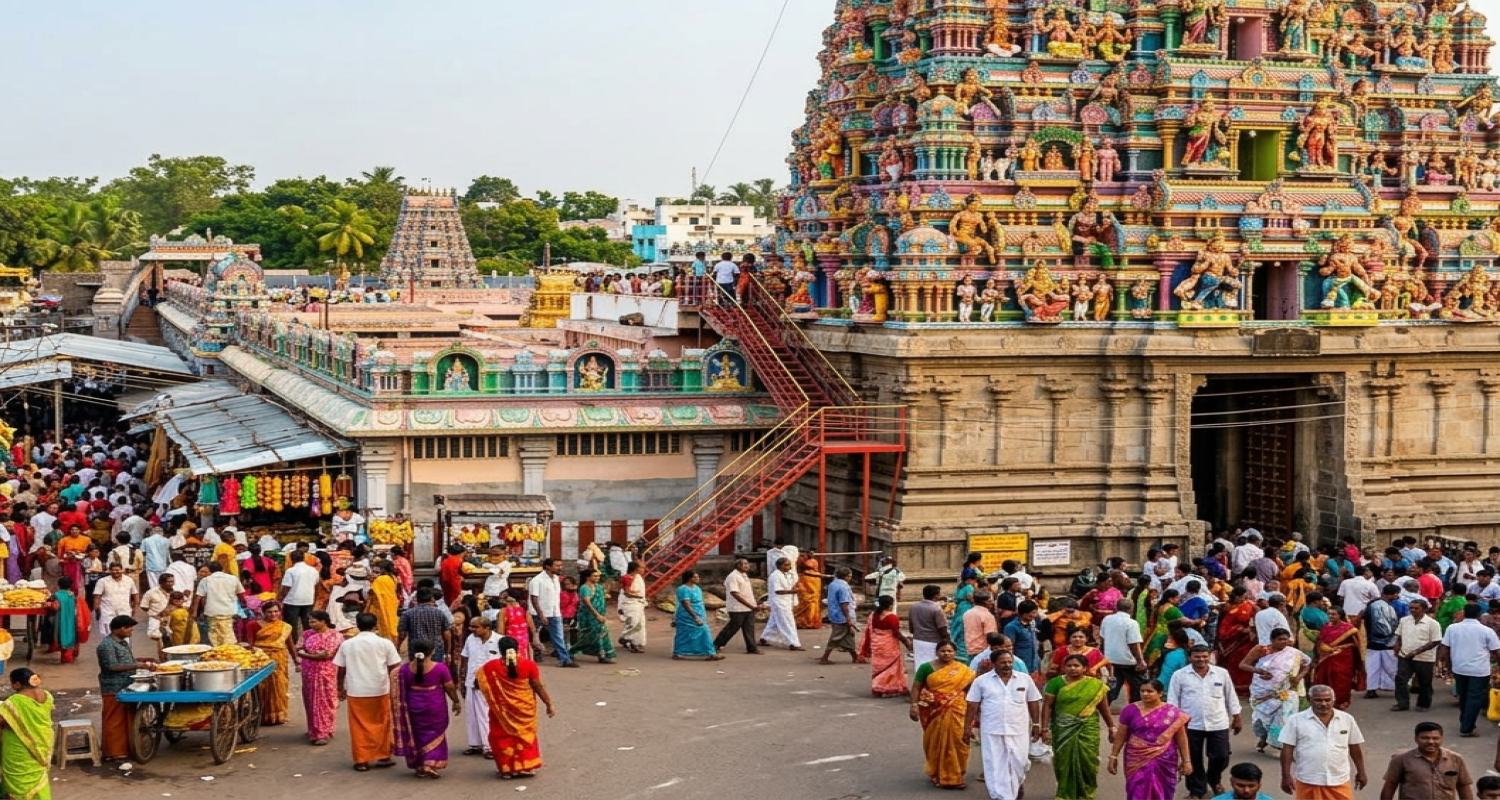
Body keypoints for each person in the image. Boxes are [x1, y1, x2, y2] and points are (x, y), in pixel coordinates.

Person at [962, 651, 1040, 799]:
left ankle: (1017, 783)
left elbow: (1033, 701)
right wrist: (967, 727)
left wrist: (1036, 724)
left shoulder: (1024, 679)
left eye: (1009, 662)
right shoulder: (981, 681)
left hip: (1019, 729)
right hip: (992, 730)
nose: (1007, 665)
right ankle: (1001, 796)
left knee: (1020, 762)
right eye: (1003, 662)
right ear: (994, 663)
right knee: (995, 765)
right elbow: (972, 704)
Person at [475, 636, 555, 780]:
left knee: (501, 736)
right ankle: (526, 767)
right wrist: (549, 703)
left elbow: (478, 683)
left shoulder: (489, 667)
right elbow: (537, 686)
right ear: (518, 648)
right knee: (524, 736)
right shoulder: (529, 665)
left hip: (501, 710)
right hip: (524, 709)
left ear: (500, 650)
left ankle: (507, 769)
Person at [1169, 644, 1243, 800]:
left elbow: (1230, 696)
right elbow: (1173, 700)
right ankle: (1196, 790)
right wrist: (1174, 724)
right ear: (1190, 657)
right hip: (1190, 724)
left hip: (1218, 722)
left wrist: (1237, 717)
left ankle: (1214, 779)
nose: (1201, 659)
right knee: (1193, 758)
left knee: (1221, 756)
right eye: (1197, 656)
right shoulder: (1179, 675)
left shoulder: (1221, 673)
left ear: (1210, 656)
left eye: (1204, 656)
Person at [333, 612, 402, 771]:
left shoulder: (348, 644)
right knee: (382, 723)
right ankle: (383, 755)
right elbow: (394, 667)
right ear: (375, 625)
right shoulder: (385, 643)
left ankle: (361, 760)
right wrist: (396, 688)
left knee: (358, 725)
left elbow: (341, 669)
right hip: (380, 688)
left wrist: (339, 687)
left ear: (357, 625)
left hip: (356, 690)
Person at [1043, 653, 1114, 800]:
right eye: (1069, 666)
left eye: (1076, 666)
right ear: (1063, 667)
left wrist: (1112, 727)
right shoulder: (1055, 683)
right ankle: (1064, 793)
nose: (1072, 668)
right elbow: (1048, 706)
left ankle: (1087, 793)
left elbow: (1104, 707)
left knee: (1088, 760)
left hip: (1088, 728)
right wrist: (1044, 728)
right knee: (1063, 761)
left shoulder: (1096, 685)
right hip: (1063, 728)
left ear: (1085, 668)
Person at [1279, 684, 1367, 799]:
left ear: (1333, 700)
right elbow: (1287, 749)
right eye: (1318, 700)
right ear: (1309, 700)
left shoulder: (1347, 719)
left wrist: (1361, 772)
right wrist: (1286, 776)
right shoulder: (1295, 720)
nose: (1324, 704)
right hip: (1308, 779)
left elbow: (1355, 747)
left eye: (1327, 700)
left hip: (1339, 779)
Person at [1110, 678, 1191, 800]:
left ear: (1160, 693)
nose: (1145, 694)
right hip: (1136, 757)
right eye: (1142, 691)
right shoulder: (1130, 710)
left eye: (1150, 691)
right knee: (1137, 789)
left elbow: (1181, 737)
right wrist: (1113, 756)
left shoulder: (1172, 712)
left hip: (1165, 758)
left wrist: (1186, 761)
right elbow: (1121, 735)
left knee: (1163, 789)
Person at [391, 640, 461, 780]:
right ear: (433, 651)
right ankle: (429, 764)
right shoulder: (440, 668)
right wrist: (456, 701)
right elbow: (450, 687)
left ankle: (419, 765)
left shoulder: (404, 669)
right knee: (435, 733)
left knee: (417, 734)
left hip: (413, 704)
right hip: (434, 704)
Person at [911, 641, 976, 790]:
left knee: (959, 741)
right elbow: (916, 687)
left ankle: (955, 775)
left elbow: (970, 690)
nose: (946, 654)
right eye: (942, 651)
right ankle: (938, 773)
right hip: (933, 710)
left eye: (949, 651)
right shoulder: (926, 668)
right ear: (936, 652)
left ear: (955, 653)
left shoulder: (963, 670)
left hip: (958, 708)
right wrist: (914, 705)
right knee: (935, 741)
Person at [1240, 628, 1312, 752]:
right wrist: (1259, 671)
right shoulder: (1261, 650)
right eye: (1280, 639)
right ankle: (1264, 739)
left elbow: (1307, 665)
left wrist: (1298, 677)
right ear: (1272, 640)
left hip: (1287, 690)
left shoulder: (1293, 653)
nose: (1284, 642)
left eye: (1286, 639)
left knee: (1286, 718)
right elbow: (1243, 665)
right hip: (1262, 691)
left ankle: (1284, 746)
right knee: (1262, 719)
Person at [97, 615, 153, 761]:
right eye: (127, 627)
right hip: (113, 687)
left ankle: (128, 748)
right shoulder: (107, 645)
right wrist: (137, 665)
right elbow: (112, 666)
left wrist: (142, 660)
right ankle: (113, 752)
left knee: (127, 717)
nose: (131, 630)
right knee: (115, 720)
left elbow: (126, 660)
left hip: (127, 684)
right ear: (116, 629)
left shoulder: (122, 643)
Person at [1439, 602, 1500, 737]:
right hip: (1479, 670)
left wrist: (1445, 666)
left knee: (1464, 696)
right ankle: (1466, 727)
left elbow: (1445, 649)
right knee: (1475, 698)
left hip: (1459, 668)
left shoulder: (1452, 628)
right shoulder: (1486, 631)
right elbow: (1496, 651)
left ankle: (1466, 721)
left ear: (1464, 613)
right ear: (1479, 615)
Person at [1379, 721, 1474, 800]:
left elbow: (1463, 786)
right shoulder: (1401, 759)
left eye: (1435, 738)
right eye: (1425, 738)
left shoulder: (1456, 759)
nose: (1431, 742)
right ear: (1416, 739)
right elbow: (1390, 786)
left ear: (1442, 739)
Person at [0, 668, 54, 799]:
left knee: (18, 778)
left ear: (17, 684)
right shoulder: (46, 696)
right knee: (38, 774)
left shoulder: (15, 701)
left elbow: (3, 720)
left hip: (19, 747)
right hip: (42, 743)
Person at [295, 610, 342, 746]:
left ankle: (323, 732)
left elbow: (326, 655)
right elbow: (298, 648)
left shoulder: (335, 636)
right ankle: (314, 729)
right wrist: (307, 655)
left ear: (324, 622)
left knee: (325, 700)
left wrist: (306, 655)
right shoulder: (307, 634)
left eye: (314, 621)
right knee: (311, 700)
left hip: (326, 672)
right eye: (310, 621)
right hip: (309, 673)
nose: (311, 624)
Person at [458, 615, 502, 758]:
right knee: (471, 714)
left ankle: (489, 746)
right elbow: (464, 657)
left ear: (486, 628)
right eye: (471, 626)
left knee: (485, 715)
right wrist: (461, 676)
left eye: (476, 627)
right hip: (471, 681)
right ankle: (475, 744)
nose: (472, 629)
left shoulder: (499, 641)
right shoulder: (471, 639)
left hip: (490, 684)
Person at [1393, 598, 1442, 712]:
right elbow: (1399, 635)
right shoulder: (1404, 620)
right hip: (1405, 655)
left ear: (1424, 609)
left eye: (1416, 608)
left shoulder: (1432, 624)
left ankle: (1423, 704)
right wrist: (1397, 645)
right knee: (1400, 679)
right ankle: (1402, 703)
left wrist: (1417, 651)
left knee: (1424, 682)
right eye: (1411, 608)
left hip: (1424, 658)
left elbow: (1435, 641)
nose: (1413, 610)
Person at [1311, 606, 1363, 709]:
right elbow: (1320, 641)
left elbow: (1355, 644)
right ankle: (1324, 700)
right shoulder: (1325, 626)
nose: (1331, 616)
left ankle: (1341, 701)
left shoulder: (1348, 628)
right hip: (1326, 657)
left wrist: (1336, 648)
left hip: (1343, 657)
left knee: (1341, 679)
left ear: (1340, 615)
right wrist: (1323, 648)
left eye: (1334, 614)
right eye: (1329, 614)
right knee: (1324, 677)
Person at [858, 594, 910, 697]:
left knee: (880, 668)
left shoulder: (873, 615)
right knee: (893, 667)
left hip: (877, 646)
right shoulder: (892, 617)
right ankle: (894, 687)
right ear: (890, 605)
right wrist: (907, 642)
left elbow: (869, 630)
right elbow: (896, 633)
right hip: (889, 646)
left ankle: (879, 687)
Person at [526, 559, 575, 667]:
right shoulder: (537, 580)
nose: (560, 568)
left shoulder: (556, 579)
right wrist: (541, 614)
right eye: (557, 565)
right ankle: (530, 658)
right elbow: (534, 598)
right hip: (538, 613)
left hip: (554, 612)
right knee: (533, 636)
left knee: (558, 636)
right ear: (548, 567)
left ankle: (564, 659)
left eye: (561, 565)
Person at [713, 558, 763, 655]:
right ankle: (717, 644)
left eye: (747, 564)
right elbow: (735, 593)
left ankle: (752, 647)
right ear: (738, 566)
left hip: (748, 606)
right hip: (737, 607)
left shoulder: (744, 576)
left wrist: (753, 605)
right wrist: (750, 605)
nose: (747, 566)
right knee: (733, 627)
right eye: (744, 564)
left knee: (749, 627)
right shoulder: (733, 577)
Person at [1101, 597, 1147, 702]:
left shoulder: (1107, 619)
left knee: (1113, 687)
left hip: (1111, 659)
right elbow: (1134, 644)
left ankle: (1103, 706)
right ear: (1131, 609)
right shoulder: (1131, 623)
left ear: (1116, 607)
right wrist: (1140, 661)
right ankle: (1135, 708)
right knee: (1137, 687)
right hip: (1128, 661)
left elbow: (1103, 638)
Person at [255, 602, 293, 726]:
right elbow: (250, 643)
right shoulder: (254, 625)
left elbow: (289, 643)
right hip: (261, 658)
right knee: (263, 687)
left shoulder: (284, 626)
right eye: (270, 612)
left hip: (279, 658)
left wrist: (296, 658)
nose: (273, 614)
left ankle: (279, 715)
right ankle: (263, 716)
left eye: (276, 611)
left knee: (279, 685)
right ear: (263, 613)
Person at [570, 568, 617, 663]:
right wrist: (596, 615)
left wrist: (602, 615)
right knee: (589, 635)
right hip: (588, 616)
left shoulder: (598, 587)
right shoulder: (584, 588)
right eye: (595, 576)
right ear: (588, 577)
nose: (597, 578)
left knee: (601, 634)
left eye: (598, 576)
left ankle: (602, 655)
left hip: (600, 615)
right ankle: (571, 651)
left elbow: (602, 601)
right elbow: (587, 602)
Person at [671, 571, 722, 660]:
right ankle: (710, 652)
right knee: (688, 633)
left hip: (699, 613)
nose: (698, 579)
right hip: (687, 615)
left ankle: (705, 652)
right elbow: (685, 604)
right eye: (695, 577)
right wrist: (695, 617)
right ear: (689, 578)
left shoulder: (697, 588)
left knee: (698, 632)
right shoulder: (683, 589)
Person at [1217, 586, 1259, 693]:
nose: (1243, 599)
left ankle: (1246, 687)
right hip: (1233, 640)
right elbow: (1224, 626)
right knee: (1233, 662)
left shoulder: (1249, 605)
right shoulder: (1228, 607)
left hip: (1246, 639)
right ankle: (1233, 687)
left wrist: (1251, 627)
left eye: (1245, 597)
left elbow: (1257, 615)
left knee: (1247, 660)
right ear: (1236, 597)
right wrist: (1239, 629)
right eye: (1241, 597)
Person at [193, 562, 242, 646]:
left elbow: (198, 598)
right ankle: (227, 651)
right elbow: (240, 594)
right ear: (222, 569)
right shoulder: (233, 578)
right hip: (228, 611)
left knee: (214, 634)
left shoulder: (205, 580)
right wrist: (243, 605)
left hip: (212, 612)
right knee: (227, 633)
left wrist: (194, 612)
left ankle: (219, 651)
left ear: (210, 570)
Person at [1365, 584, 1402, 698]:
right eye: (1396, 593)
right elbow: (1382, 625)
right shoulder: (1379, 605)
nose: (1398, 596)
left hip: (1376, 641)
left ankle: (1373, 689)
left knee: (1373, 667)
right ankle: (1396, 688)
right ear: (1391, 594)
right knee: (1390, 666)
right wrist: (1391, 633)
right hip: (1384, 641)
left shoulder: (1379, 604)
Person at [819, 567, 862, 664]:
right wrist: (848, 618)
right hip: (841, 616)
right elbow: (844, 603)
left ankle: (855, 657)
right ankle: (824, 657)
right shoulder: (843, 587)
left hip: (834, 613)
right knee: (836, 637)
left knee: (848, 635)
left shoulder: (833, 584)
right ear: (847, 576)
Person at [759, 557, 803, 651]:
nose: (788, 566)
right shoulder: (775, 576)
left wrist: (795, 589)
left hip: (787, 600)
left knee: (774, 621)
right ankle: (793, 643)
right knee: (787, 622)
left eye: (789, 564)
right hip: (779, 601)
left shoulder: (789, 574)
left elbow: (794, 583)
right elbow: (778, 591)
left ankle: (764, 638)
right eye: (786, 565)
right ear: (779, 566)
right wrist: (792, 591)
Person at [279, 553, 320, 639]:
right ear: (303, 558)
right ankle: (309, 641)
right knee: (308, 623)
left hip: (292, 600)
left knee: (291, 624)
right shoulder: (313, 570)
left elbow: (286, 587)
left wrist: (280, 598)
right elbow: (316, 585)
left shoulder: (290, 571)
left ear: (291, 559)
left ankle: (293, 643)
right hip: (308, 599)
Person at [91, 562, 136, 638]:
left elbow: (135, 594)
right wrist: (97, 610)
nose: (116, 572)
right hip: (107, 613)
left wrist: (134, 608)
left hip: (124, 612)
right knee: (107, 636)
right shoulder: (102, 581)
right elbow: (97, 596)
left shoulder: (129, 580)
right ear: (110, 570)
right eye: (113, 570)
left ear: (122, 570)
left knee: (125, 636)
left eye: (118, 570)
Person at [909, 585, 949, 666]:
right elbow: (942, 629)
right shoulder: (936, 609)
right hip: (933, 642)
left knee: (920, 664)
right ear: (936, 596)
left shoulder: (913, 607)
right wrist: (947, 641)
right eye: (939, 594)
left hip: (918, 640)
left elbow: (911, 628)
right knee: (933, 666)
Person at [50, 576, 86, 663]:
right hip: (73, 619)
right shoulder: (73, 595)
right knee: (72, 634)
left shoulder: (57, 595)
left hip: (61, 619)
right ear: (70, 585)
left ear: (58, 585)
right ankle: (73, 654)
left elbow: (55, 607)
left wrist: (47, 604)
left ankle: (66, 658)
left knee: (62, 635)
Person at [617, 560, 647, 653]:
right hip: (630, 604)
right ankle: (630, 641)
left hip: (638, 604)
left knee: (640, 624)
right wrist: (638, 596)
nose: (643, 569)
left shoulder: (638, 578)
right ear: (636, 568)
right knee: (633, 623)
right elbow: (626, 593)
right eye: (641, 567)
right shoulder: (627, 578)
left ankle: (634, 641)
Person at [794, 548, 825, 629]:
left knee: (814, 602)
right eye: (810, 553)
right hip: (804, 583)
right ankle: (802, 621)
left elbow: (813, 570)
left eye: (813, 553)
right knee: (805, 601)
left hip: (814, 583)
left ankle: (812, 621)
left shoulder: (814, 561)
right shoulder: (800, 560)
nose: (812, 555)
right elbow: (803, 568)